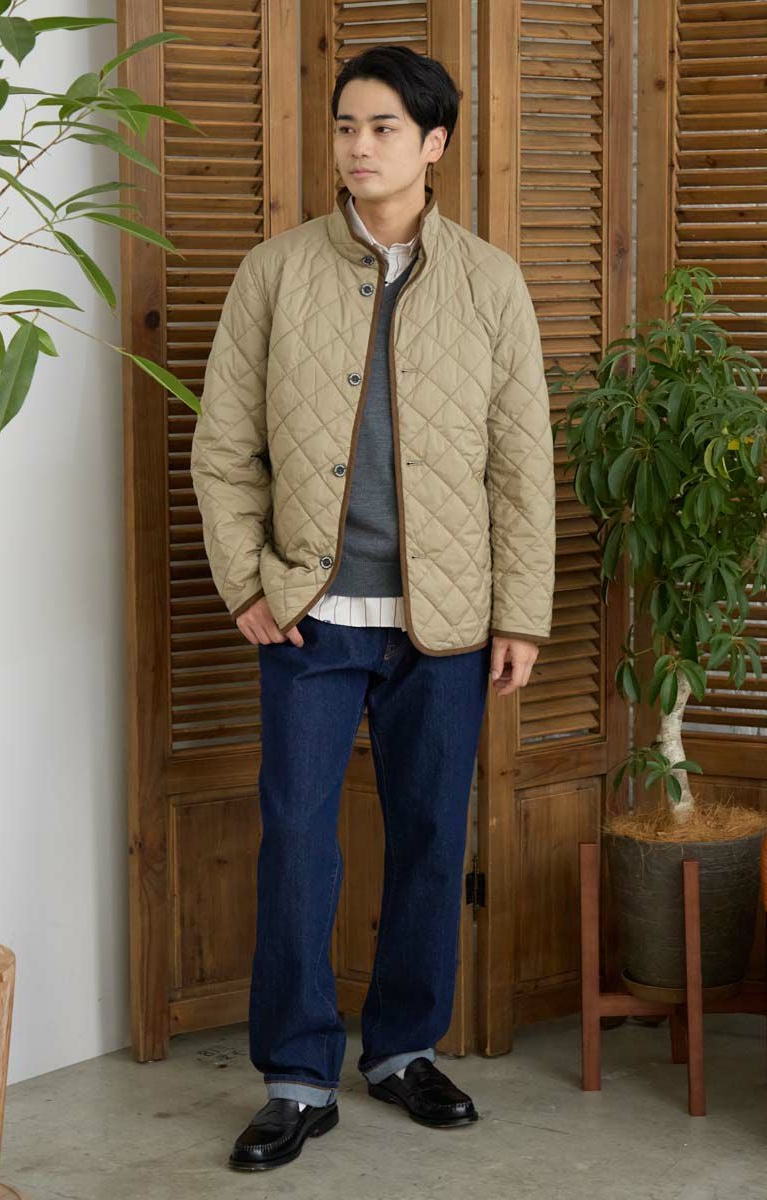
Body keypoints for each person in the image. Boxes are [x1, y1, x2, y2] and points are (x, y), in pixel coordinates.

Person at [190, 44, 555, 1172]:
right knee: (298, 841)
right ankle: (297, 1077)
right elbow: (222, 444)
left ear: (434, 143)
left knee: (434, 839)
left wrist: (521, 613)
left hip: (446, 620)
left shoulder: (491, 281)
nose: (359, 146)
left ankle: (402, 1050)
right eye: (347, 125)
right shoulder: (274, 271)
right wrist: (246, 582)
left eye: (384, 127)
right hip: (310, 613)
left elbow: (521, 466)